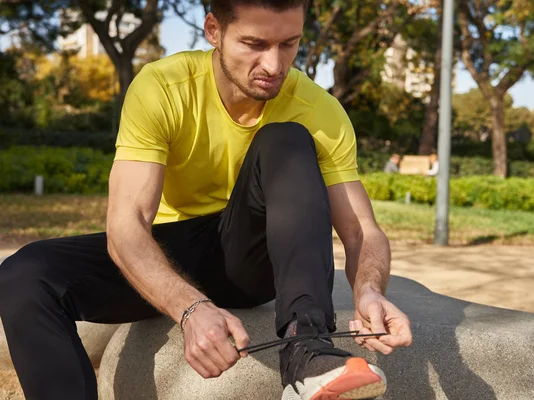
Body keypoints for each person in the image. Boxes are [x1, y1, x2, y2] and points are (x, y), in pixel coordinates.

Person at [0, 1, 413, 399]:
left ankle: (309, 352)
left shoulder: (317, 109)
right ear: (214, 30)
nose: (274, 65)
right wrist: (190, 309)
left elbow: (361, 230)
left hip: (251, 256)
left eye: (289, 43)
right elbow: (127, 223)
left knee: (285, 138)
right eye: (255, 44)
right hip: (169, 251)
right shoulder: (163, 86)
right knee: (23, 275)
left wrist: (368, 291)